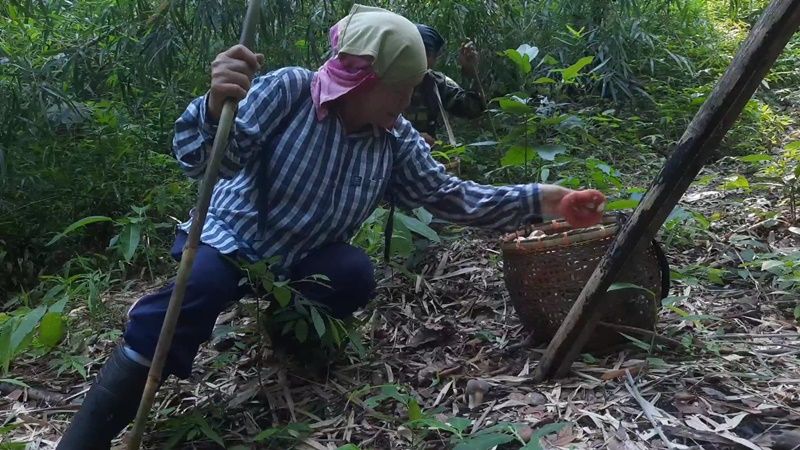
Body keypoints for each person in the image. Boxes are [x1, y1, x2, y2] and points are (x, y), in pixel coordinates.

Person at [56, 5, 605, 449]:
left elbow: (450, 197)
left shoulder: (394, 141)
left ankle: (288, 341)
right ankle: (92, 430)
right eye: (400, 88)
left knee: (351, 274)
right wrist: (217, 105)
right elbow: (206, 160)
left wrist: (549, 201)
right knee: (195, 290)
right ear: (362, 80)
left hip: (304, 258)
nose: (407, 102)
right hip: (230, 238)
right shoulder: (290, 92)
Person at [404, 24, 486, 146]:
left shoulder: (436, 83)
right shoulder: (384, 79)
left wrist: (471, 72)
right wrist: (412, 137)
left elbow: (474, 109)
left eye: (427, 53)